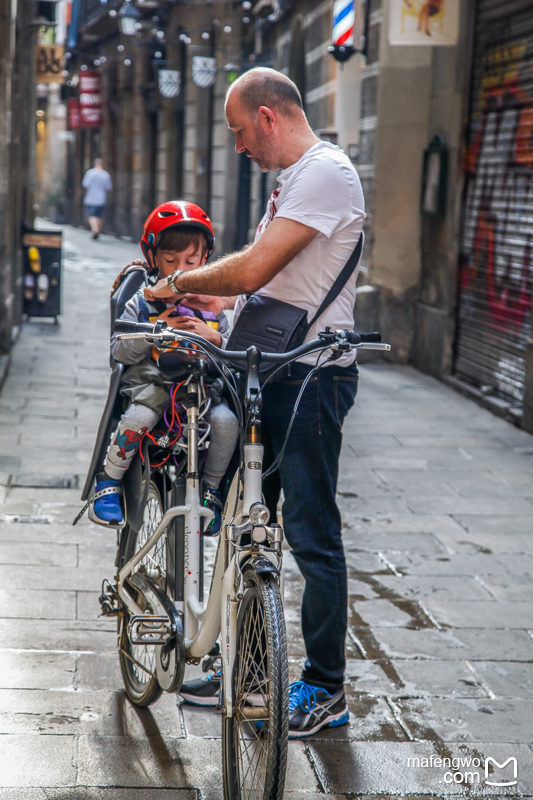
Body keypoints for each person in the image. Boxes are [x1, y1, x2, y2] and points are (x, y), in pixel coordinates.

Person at [145, 69, 365, 737]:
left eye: (239, 130)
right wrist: (217, 306)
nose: (238, 145)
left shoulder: (325, 173)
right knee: (254, 522)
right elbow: (271, 286)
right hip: (270, 369)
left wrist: (174, 283)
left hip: (309, 378)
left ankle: (325, 689)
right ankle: (254, 670)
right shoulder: (293, 182)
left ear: (268, 117)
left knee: (310, 535)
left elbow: (251, 268)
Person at [91, 201, 239, 533]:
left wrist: (213, 340)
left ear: (205, 260)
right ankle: (109, 479)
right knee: (142, 416)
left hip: (201, 391)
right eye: (170, 261)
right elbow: (119, 349)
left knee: (227, 423)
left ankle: (211, 491)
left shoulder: (213, 304)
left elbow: (233, 352)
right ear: (152, 257)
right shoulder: (142, 301)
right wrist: (152, 335)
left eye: (190, 261)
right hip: (151, 384)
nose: (178, 270)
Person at [82, 158, 112, 239]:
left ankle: (95, 230)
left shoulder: (90, 173)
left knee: (91, 215)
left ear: (95, 164)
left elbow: (85, 184)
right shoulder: (106, 174)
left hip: (91, 198)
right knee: (100, 216)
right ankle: (97, 230)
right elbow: (108, 188)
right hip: (102, 198)